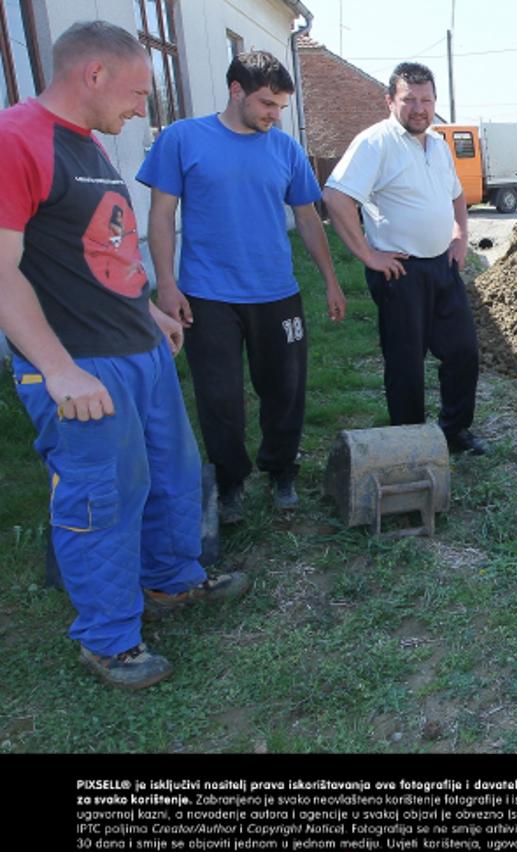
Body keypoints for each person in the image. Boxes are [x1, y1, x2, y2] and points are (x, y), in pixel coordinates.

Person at [0, 21, 247, 690]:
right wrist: (57, 369)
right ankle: (108, 639)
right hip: (81, 364)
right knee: (102, 496)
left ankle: (171, 581)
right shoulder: (17, 139)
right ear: (94, 75)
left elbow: (101, 251)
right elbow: (2, 270)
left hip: (138, 349)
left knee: (171, 474)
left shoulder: (86, 143)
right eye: (138, 93)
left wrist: (149, 312)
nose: (142, 109)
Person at [138, 51, 346, 523]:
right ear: (236, 91)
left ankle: (281, 470)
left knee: (285, 389)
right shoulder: (182, 139)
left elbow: (307, 217)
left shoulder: (285, 149)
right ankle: (229, 482)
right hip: (207, 295)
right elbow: (161, 216)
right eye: (267, 104)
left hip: (276, 292)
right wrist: (165, 284)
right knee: (219, 397)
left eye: (280, 107)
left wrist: (331, 280)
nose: (275, 115)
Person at [322, 62, 486, 455]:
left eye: (426, 100)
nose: (419, 109)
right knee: (406, 363)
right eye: (409, 100)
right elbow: (335, 197)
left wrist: (460, 236)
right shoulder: (375, 143)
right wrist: (368, 255)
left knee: (463, 351)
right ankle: (411, 443)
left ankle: (454, 432)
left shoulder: (438, 145)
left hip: (443, 267)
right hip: (400, 272)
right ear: (390, 101)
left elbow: (456, 195)